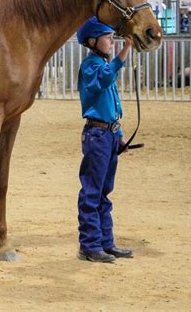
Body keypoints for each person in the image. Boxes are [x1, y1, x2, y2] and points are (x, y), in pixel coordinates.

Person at [75, 16, 134, 263]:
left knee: (104, 192)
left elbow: (113, 105)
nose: (112, 41)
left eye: (112, 37)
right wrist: (124, 53)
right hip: (97, 135)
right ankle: (89, 245)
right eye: (107, 38)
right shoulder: (92, 67)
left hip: (107, 134)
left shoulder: (102, 64)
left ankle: (105, 243)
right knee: (92, 191)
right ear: (92, 41)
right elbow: (106, 79)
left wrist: (119, 134)